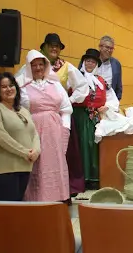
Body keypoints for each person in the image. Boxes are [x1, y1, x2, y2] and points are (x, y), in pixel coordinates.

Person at [17, 33, 89, 195]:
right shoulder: (26, 72)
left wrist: (69, 100)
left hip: (58, 119)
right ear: (44, 47)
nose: (54, 49)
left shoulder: (66, 67)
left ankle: (59, 191)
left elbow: (82, 87)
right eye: (51, 46)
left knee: (59, 158)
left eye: (57, 46)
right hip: (34, 123)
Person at [15, 50, 73, 202]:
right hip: (33, 130)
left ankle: (57, 199)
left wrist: (65, 131)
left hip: (55, 131)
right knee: (37, 165)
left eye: (41, 64)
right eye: (34, 65)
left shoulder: (55, 84)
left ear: (46, 65)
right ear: (29, 67)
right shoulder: (22, 87)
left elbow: (66, 109)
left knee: (55, 163)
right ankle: (37, 199)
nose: (38, 68)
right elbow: (18, 111)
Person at [0, 73, 40, 201]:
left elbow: (34, 134)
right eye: (4, 87)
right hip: (3, 169)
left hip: (24, 166)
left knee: (17, 208)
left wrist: (36, 151)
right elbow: (1, 137)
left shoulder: (23, 110)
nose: (9, 89)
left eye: (11, 85)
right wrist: (25, 152)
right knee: (9, 209)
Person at [74, 49, 119, 190]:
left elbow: (112, 99)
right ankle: (83, 178)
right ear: (83, 62)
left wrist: (106, 106)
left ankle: (95, 177)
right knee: (82, 145)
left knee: (95, 145)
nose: (90, 64)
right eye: (87, 61)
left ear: (96, 65)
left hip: (97, 118)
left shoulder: (101, 81)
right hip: (80, 117)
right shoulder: (75, 77)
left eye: (93, 62)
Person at [95, 35, 123, 101]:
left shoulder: (116, 64)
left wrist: (116, 101)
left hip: (109, 102)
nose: (109, 50)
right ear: (100, 47)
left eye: (111, 48)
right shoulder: (90, 60)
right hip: (92, 100)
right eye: (107, 47)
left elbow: (119, 86)